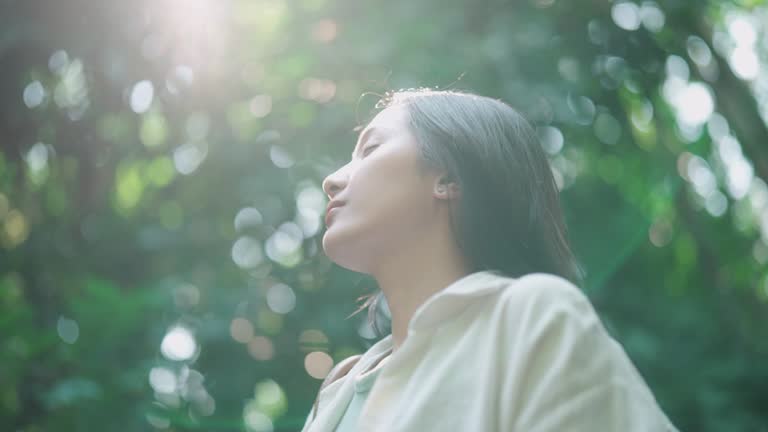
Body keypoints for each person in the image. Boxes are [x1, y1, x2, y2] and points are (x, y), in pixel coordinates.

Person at [302, 88, 679, 431]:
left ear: (447, 177)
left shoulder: (534, 319)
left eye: (369, 150)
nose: (332, 180)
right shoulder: (340, 391)